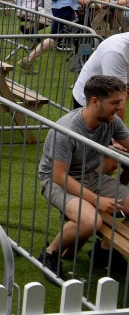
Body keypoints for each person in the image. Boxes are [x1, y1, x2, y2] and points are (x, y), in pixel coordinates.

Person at [38, 75, 129, 276]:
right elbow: (60, 176)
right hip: (55, 181)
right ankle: (49, 253)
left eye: (122, 101)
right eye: (115, 103)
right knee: (90, 222)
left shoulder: (112, 121)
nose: (120, 107)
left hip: (91, 177)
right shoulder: (67, 129)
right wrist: (97, 200)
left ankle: (104, 251)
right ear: (95, 101)